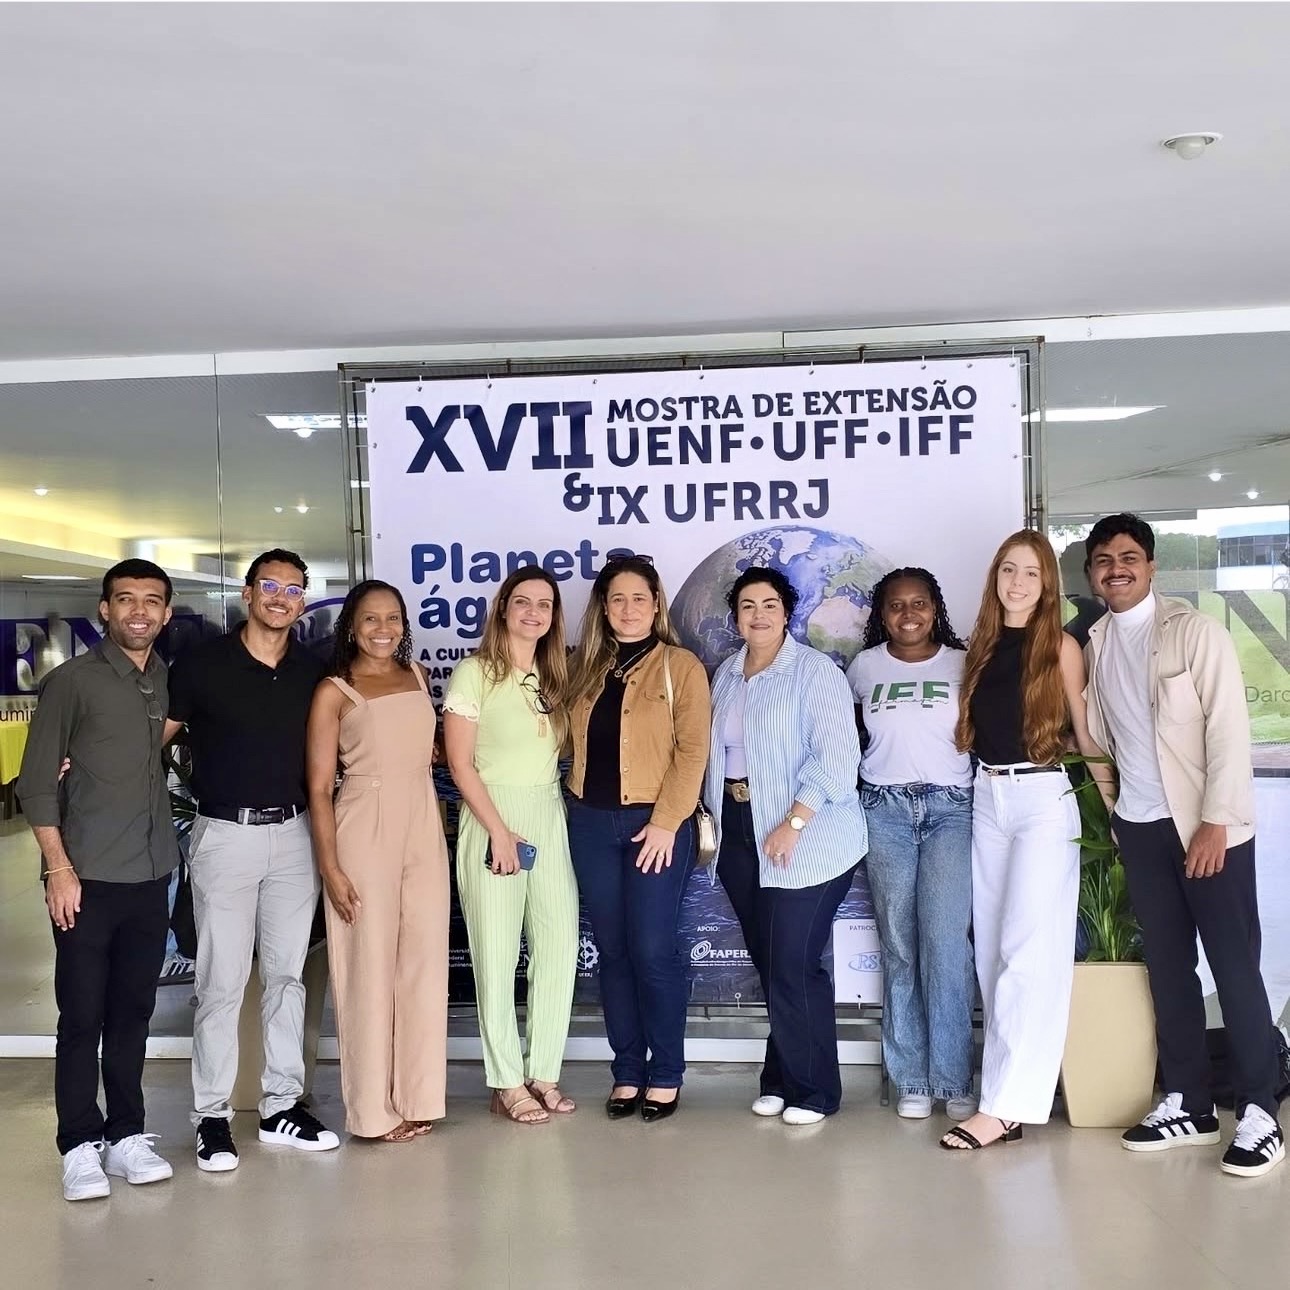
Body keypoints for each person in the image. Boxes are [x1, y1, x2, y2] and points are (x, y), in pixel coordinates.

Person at [1083, 513, 1283, 1177]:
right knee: (1169, 970)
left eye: (1129, 557)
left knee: (1234, 967)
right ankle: (1191, 1104)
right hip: (1141, 828)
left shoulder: (1194, 632)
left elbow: (1228, 730)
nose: (1117, 568)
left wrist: (1217, 821)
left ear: (1151, 566)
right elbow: (1103, 738)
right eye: (1104, 560)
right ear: (1091, 573)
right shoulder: (1098, 641)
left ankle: (1259, 1112)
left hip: (1206, 827)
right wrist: (1116, 814)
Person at [165, 549, 339, 1172]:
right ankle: (211, 1116)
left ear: (302, 601)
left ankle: (281, 1106)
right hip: (225, 836)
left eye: (293, 589)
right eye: (270, 585)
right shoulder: (202, 665)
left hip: (294, 837)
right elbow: (153, 741)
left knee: (288, 977)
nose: (280, 597)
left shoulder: (313, 670)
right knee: (221, 981)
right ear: (247, 592)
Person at [941, 530, 1112, 1151]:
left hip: (1043, 800)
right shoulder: (981, 646)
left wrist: (1113, 810)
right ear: (996, 577)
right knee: (991, 952)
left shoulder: (1061, 647)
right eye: (1009, 570)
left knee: (1026, 952)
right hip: (988, 798)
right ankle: (1007, 1096)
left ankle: (1003, 1107)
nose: (1018, 582)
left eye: (1032, 573)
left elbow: (1085, 734)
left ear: (1047, 586)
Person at [16, 559, 179, 1201]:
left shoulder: (166, 680)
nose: (140, 611)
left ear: (166, 613)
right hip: (85, 877)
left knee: (133, 1012)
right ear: (105, 610)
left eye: (152, 601)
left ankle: (127, 1134)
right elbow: (35, 784)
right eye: (126, 599)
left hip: (151, 872)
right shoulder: (71, 682)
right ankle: (79, 1144)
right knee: (82, 1016)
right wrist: (58, 868)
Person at [704, 566, 866, 1126]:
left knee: (794, 965)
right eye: (747, 606)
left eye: (769, 604)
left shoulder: (815, 672)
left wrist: (793, 821)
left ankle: (814, 1091)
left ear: (786, 612)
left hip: (809, 835)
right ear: (735, 616)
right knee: (774, 964)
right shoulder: (727, 675)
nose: (758, 615)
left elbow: (838, 758)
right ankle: (780, 1077)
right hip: (738, 830)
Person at [565, 556, 711, 1121]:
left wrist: (667, 822)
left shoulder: (680, 666)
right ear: (604, 608)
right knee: (614, 951)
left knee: (651, 949)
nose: (628, 609)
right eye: (617, 599)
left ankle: (666, 1073)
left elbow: (693, 751)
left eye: (639, 599)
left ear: (656, 605)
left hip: (656, 824)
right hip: (591, 824)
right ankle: (627, 1070)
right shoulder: (583, 668)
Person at [306, 580, 450, 1142]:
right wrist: (331, 867)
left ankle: (417, 1096)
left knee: (423, 963)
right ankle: (371, 1112)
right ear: (351, 625)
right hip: (363, 824)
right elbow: (320, 787)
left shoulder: (417, 675)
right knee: (366, 966)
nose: (383, 629)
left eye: (393, 618)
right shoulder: (334, 691)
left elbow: (422, 747)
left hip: (422, 819)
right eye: (370, 619)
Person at [443, 566, 579, 1125]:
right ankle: (505, 1080)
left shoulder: (557, 675)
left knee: (558, 947)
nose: (533, 612)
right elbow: (459, 763)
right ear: (503, 608)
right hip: (491, 816)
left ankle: (543, 1072)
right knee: (496, 956)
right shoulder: (474, 672)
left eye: (544, 604)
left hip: (548, 813)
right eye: (522, 601)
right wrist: (498, 831)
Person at [845, 568, 976, 1123]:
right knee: (900, 947)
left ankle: (952, 1077)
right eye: (896, 605)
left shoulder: (964, 664)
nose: (908, 614)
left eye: (918, 603)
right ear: (882, 614)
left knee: (946, 946)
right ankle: (913, 1079)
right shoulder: (863, 668)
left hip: (952, 810)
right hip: (885, 811)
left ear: (935, 607)